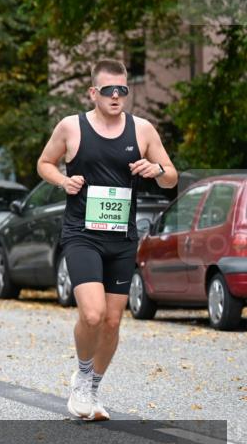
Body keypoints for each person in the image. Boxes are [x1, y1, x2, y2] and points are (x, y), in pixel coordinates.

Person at [37, 58, 177, 421]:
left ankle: (93, 386)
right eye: (109, 90)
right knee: (93, 314)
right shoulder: (71, 127)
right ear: (93, 93)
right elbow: (44, 163)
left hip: (122, 237)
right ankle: (82, 377)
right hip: (82, 234)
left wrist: (156, 169)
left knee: (113, 322)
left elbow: (171, 177)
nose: (116, 96)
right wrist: (63, 181)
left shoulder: (142, 130)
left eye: (122, 90)